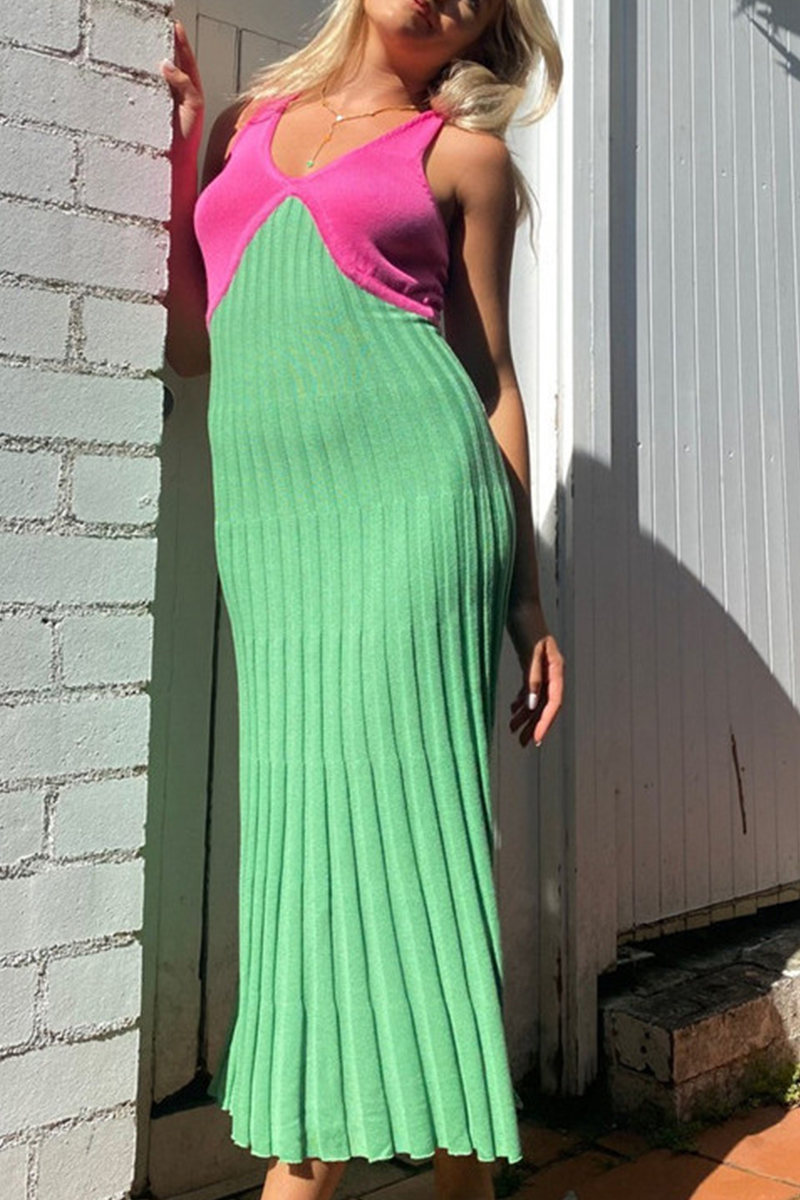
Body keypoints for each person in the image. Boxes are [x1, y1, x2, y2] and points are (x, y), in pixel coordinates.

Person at [158, 2, 565, 1198]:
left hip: (418, 515)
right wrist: (183, 161)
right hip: (280, 539)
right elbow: (194, 344)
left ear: (486, 32)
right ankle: (453, 1175)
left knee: (406, 847)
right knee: (307, 841)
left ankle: (326, 1168)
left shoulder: (463, 158)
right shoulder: (245, 125)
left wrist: (527, 601)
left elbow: (490, 381)